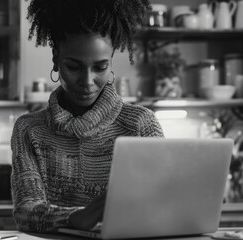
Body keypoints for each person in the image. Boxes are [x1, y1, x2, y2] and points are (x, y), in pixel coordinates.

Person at [11, 0, 164, 233]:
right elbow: (26, 210)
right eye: (74, 67)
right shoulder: (29, 129)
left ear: (112, 61)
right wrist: (77, 217)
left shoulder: (141, 125)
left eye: (100, 67)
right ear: (55, 58)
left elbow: (161, 203)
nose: (87, 81)